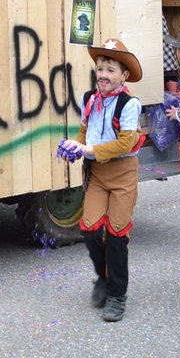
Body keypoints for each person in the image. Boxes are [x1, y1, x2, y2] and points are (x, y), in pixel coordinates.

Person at [58, 38, 144, 323]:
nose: (103, 75)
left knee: (117, 235)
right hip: (97, 174)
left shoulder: (129, 103)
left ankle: (117, 296)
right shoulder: (90, 99)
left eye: (110, 70)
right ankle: (104, 278)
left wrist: (88, 149)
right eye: (99, 69)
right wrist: (75, 145)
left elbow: (126, 143)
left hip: (123, 174)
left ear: (124, 75)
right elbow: (85, 131)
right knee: (91, 230)